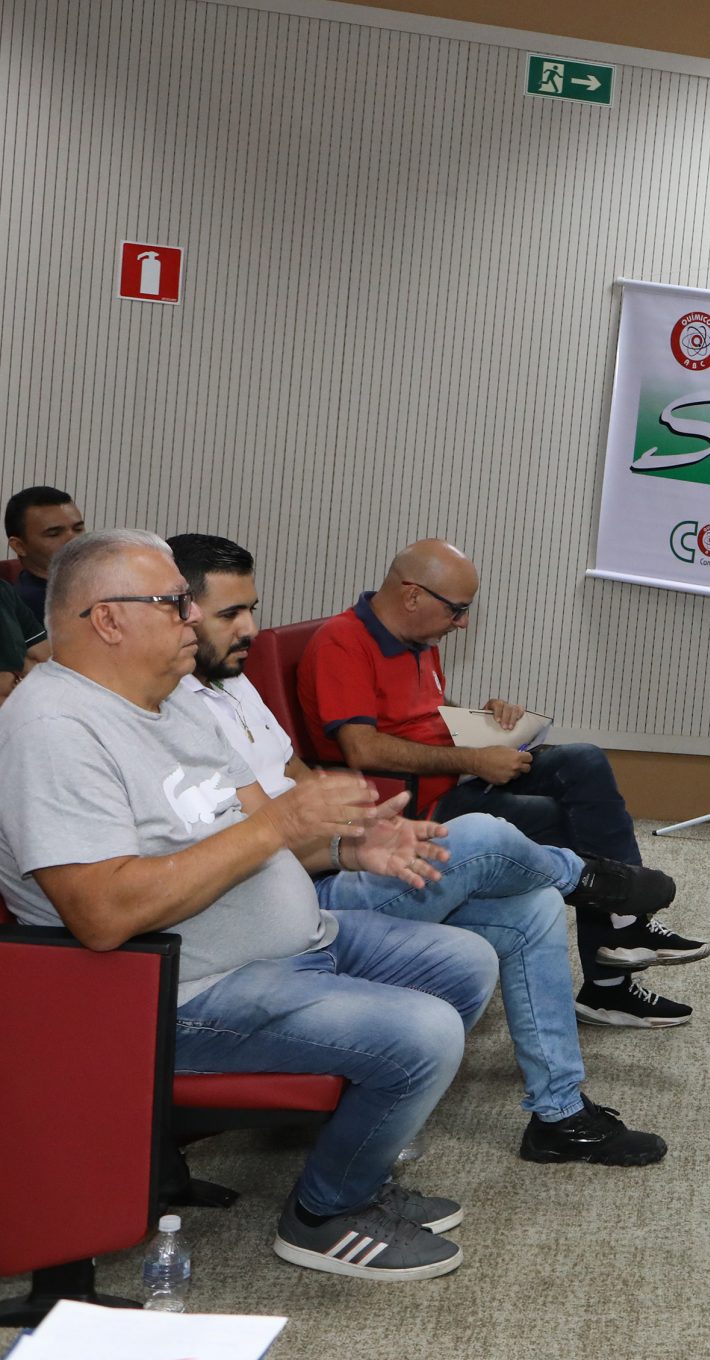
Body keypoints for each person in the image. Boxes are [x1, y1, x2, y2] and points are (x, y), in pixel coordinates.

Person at [0, 529, 489, 1280]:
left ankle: (357, 1165)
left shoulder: (178, 702)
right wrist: (279, 825)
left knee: (466, 963)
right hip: (174, 992)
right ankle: (326, 1213)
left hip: (288, 943)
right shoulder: (53, 728)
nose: (192, 619)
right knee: (419, 1031)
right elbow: (99, 912)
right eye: (172, 604)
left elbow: (269, 830)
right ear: (106, 619)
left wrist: (349, 850)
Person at [170, 533, 668, 1165]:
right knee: (488, 838)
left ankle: (560, 1113)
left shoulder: (233, 685)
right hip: (305, 883)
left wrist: (365, 823)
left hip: (341, 849)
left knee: (533, 906)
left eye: (252, 610)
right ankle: (587, 877)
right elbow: (273, 815)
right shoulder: (176, 709)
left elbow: (294, 773)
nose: (252, 630)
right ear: (178, 615)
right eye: (231, 615)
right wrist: (347, 836)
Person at [296, 538, 706, 1028]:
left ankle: (621, 935)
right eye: (458, 611)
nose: (463, 623)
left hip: (454, 777)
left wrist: (486, 719)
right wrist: (474, 757)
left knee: (585, 762)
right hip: (413, 807)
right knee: (566, 823)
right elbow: (361, 749)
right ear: (412, 596)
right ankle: (611, 975)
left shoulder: (419, 640)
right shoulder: (342, 642)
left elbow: (416, 721)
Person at [5, 485, 83, 619]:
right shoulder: (27, 605)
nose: (74, 540)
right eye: (54, 534)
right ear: (19, 546)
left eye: (78, 529)